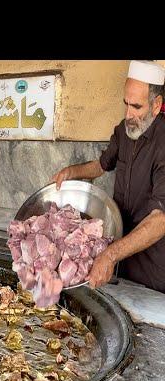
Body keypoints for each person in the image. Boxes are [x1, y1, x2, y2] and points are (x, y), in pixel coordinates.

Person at [51, 60, 165, 292]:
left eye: (136, 107)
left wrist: (110, 255)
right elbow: (102, 165)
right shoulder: (123, 131)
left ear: (156, 105)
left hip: (153, 266)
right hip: (120, 255)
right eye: (126, 104)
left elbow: (160, 220)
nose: (128, 114)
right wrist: (72, 171)